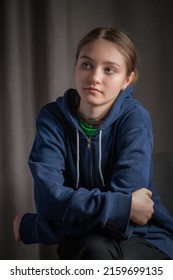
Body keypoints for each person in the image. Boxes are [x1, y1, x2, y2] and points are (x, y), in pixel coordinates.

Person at [13, 27, 173, 259]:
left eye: (109, 69)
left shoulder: (135, 118)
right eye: (86, 64)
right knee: (93, 250)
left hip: (145, 236)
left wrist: (37, 228)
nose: (95, 77)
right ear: (76, 66)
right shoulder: (52, 119)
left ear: (127, 79)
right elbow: (49, 200)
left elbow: (129, 219)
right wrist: (122, 206)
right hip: (86, 241)